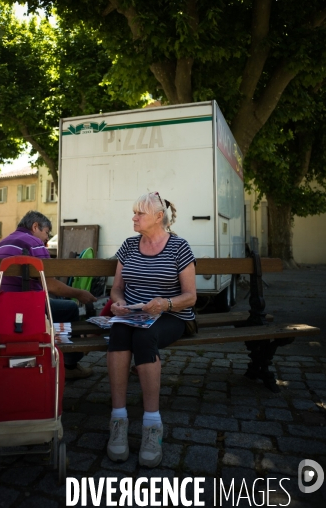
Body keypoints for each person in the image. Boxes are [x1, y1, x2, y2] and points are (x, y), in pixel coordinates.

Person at [107, 192, 197, 467]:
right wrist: (119, 303)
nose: (133, 217)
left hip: (172, 315)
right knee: (120, 333)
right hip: (134, 315)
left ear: (159, 217)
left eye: (139, 213)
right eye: (134, 212)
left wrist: (164, 303)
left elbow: (190, 296)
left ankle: (152, 424)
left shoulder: (179, 247)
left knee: (145, 337)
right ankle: (118, 419)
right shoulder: (129, 245)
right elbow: (117, 288)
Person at [0, 210, 97, 380]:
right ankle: (70, 365)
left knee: (52, 303)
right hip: (20, 311)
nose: (47, 239)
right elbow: (51, 285)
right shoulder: (33, 242)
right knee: (70, 307)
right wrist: (79, 294)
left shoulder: (3, 242)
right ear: (35, 226)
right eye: (46, 232)